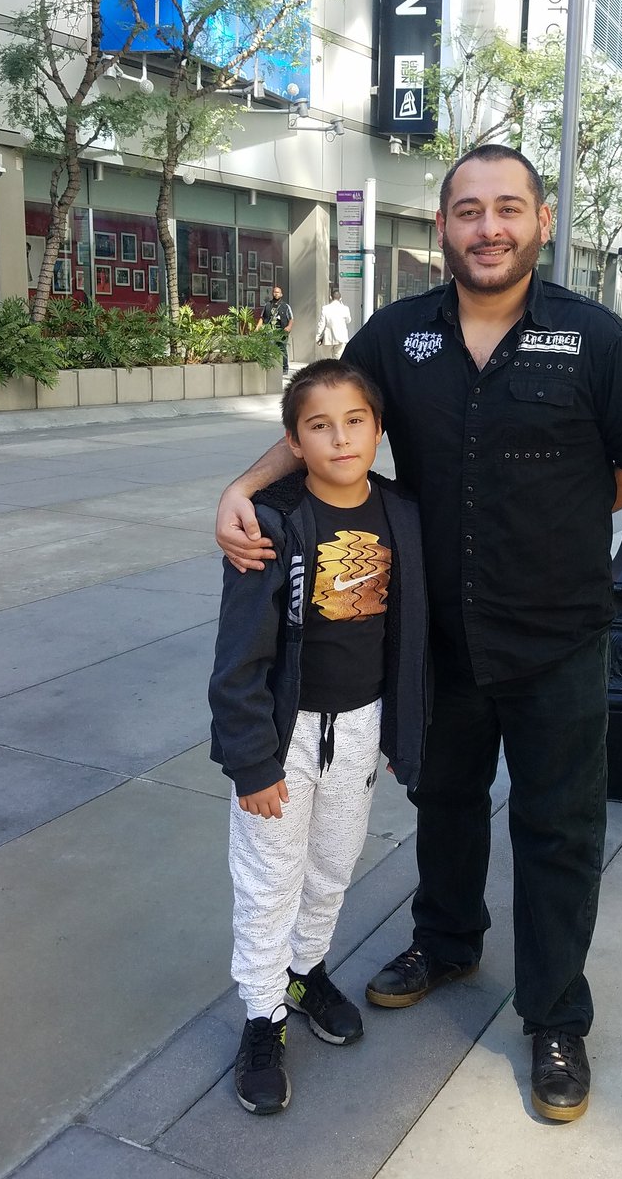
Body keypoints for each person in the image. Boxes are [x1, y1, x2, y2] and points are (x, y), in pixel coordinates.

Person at [215, 144, 622, 1123]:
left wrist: (555, 521)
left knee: (557, 829)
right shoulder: (397, 337)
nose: (488, 228)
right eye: (467, 211)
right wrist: (243, 489)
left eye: (507, 208)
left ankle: (554, 1015)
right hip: (437, 637)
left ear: (541, 222)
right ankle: (448, 940)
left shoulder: (598, 342)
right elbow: (320, 421)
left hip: (557, 637)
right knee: (447, 799)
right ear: (443, 231)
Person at [208, 359, 429, 1116]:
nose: (340, 438)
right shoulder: (274, 523)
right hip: (284, 736)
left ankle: (306, 973)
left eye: (355, 421)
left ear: (377, 427)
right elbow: (238, 657)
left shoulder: (401, 514)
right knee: (269, 882)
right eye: (319, 425)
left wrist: (403, 732)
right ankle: (263, 1015)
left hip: (359, 728)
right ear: (295, 442)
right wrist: (251, 761)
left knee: (333, 864)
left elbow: (409, 635)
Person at [257, 284, 294, 375]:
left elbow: (291, 318)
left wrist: (289, 327)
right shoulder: (267, 305)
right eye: (274, 292)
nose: (276, 294)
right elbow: (262, 317)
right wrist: (258, 327)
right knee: (270, 348)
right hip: (270, 331)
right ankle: (270, 366)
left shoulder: (286, 306)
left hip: (281, 330)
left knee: (282, 349)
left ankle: (284, 367)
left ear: (281, 294)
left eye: (278, 292)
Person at [316, 288, 352, 359]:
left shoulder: (325, 308)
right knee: (338, 358)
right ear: (340, 298)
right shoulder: (345, 308)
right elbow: (348, 320)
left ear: (330, 297)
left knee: (326, 359)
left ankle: (327, 370)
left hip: (328, 337)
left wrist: (318, 337)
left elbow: (321, 324)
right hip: (341, 337)